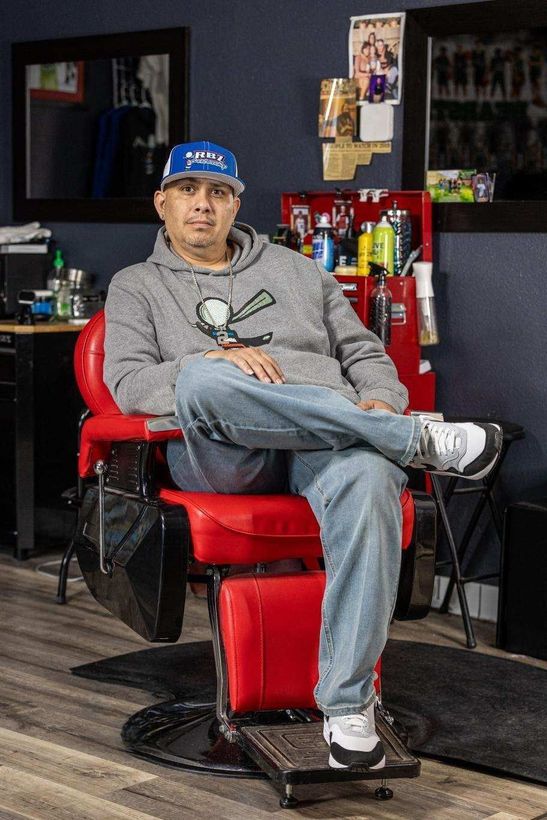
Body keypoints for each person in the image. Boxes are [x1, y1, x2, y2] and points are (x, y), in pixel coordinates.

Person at [104, 140, 503, 771]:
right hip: (224, 455)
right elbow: (128, 385)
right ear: (163, 202)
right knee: (202, 380)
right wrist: (213, 361)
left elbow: (368, 356)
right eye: (187, 191)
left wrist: (377, 401)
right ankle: (413, 442)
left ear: (237, 205)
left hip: (326, 440)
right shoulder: (138, 287)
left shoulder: (301, 273)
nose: (202, 205)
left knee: (371, 477)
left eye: (218, 193)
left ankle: (347, 707)